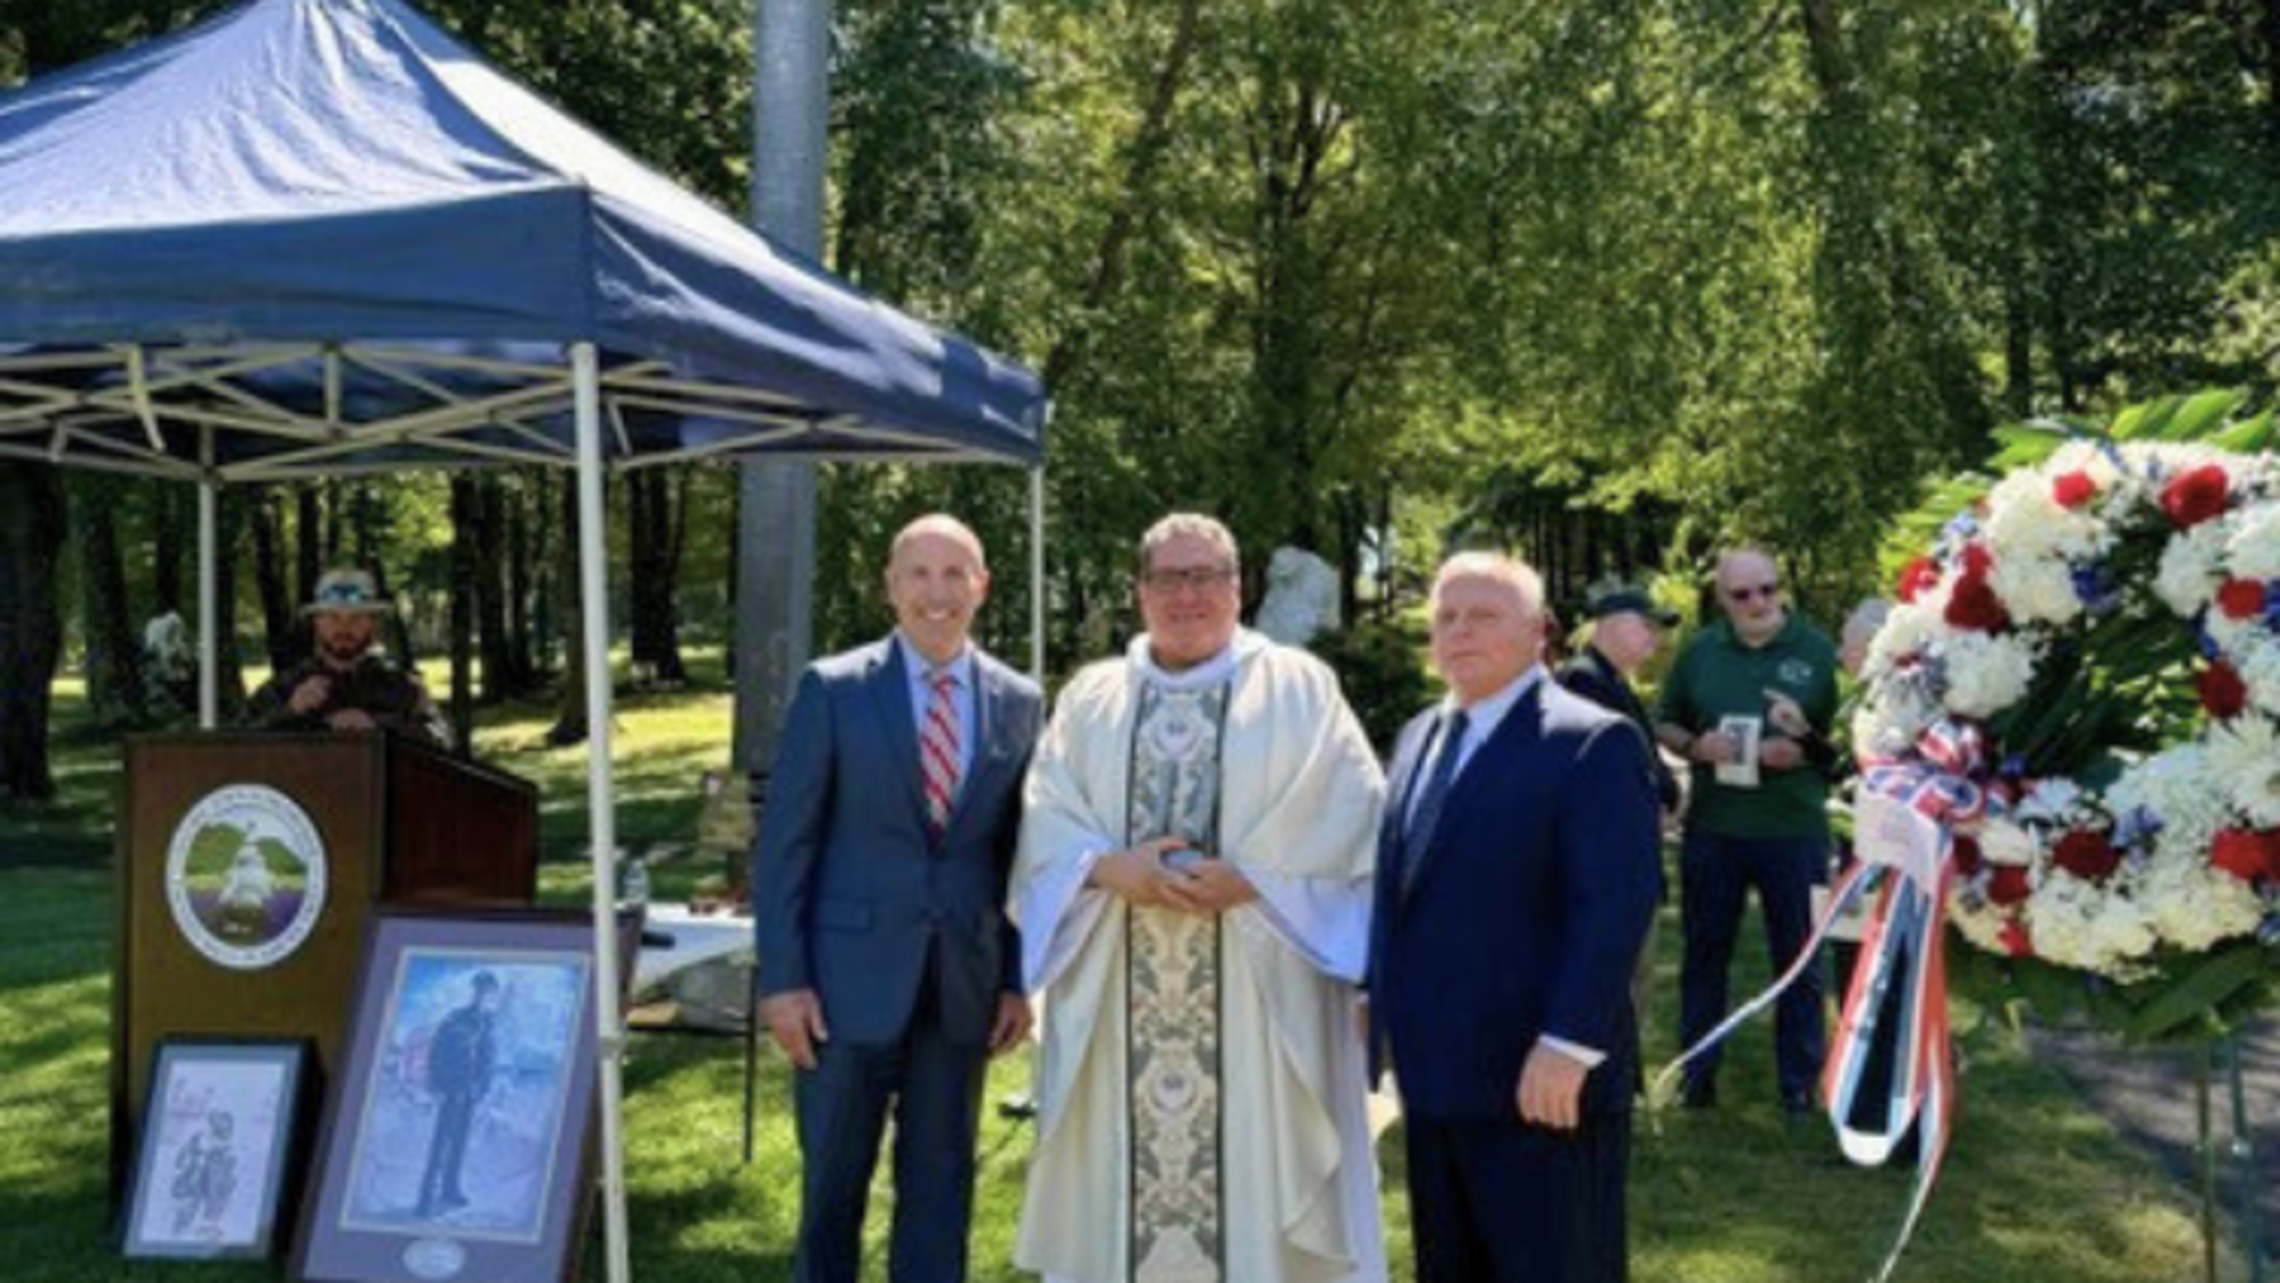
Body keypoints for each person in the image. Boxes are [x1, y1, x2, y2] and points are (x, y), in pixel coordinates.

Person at [1012, 513, 1387, 1283]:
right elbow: (1043, 816)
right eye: (1170, 578)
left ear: (1238, 587)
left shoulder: (1298, 686)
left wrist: (1254, 878)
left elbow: (1353, 815)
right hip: (1119, 988)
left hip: (1262, 994)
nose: (1189, 595)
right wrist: (1106, 868)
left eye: (1206, 576)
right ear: (1140, 591)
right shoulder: (1091, 696)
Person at [752, 514, 1041, 1283]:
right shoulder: (834, 689)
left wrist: (1015, 977)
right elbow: (786, 846)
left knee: (941, 1191)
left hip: (962, 991)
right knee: (831, 1195)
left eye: (955, 574)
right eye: (920, 573)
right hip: (841, 993)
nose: (936, 592)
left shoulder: (1020, 700)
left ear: (981, 586)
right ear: (890, 583)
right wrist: (782, 980)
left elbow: (1019, 855)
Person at [1369, 552, 1661, 1283]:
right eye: (1446, 616)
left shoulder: (1590, 740)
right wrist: (1374, 1004)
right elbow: (1404, 889)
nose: (1460, 630)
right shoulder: (1417, 737)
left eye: (1485, 614)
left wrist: (1570, 1040)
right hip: (1437, 1077)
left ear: (1538, 632)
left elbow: (1615, 902)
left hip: (1542, 1080)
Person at [1654, 548, 1840, 1114]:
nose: (1759, 602)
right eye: (1743, 595)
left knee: (1800, 962)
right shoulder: (1701, 651)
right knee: (1705, 955)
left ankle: (1799, 1085)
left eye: (1768, 588)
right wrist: (1694, 746)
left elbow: (1847, 752)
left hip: (1795, 831)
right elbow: (1665, 720)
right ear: (1722, 600)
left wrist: (1803, 745)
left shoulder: (1818, 651)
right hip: (1716, 830)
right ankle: (1697, 1075)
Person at [245, 568, 449, 748]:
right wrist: (291, 711)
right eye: (333, 618)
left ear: (373, 625)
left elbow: (442, 741)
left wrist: (379, 727)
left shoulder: (403, 688)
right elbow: (236, 744)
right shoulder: (285, 687)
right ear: (317, 624)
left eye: (356, 618)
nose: (344, 628)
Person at [416, 970, 499, 1218]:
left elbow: (488, 1058)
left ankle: (449, 1189)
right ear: (474, 990)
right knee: (440, 1144)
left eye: (489, 991)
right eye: (481, 989)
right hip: (452, 1089)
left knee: (459, 1144)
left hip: (471, 1092)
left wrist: (483, 1086)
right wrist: (437, 1084)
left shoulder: (488, 1023)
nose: (484, 995)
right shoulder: (455, 1018)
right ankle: (426, 1197)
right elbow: (436, 1052)